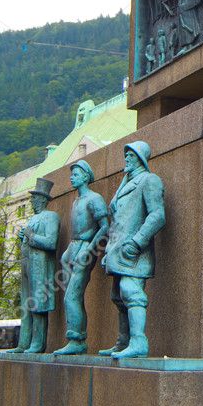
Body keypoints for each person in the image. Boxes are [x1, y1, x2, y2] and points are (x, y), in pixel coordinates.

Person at [99, 142, 166, 359]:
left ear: (140, 158)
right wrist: (108, 251)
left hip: (135, 250)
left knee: (131, 292)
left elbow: (157, 215)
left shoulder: (149, 180)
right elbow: (117, 222)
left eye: (130, 155)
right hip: (117, 251)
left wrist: (137, 242)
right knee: (118, 296)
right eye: (125, 155)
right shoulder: (125, 183)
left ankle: (139, 342)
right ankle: (123, 342)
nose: (126, 159)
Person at [53, 159, 110, 356]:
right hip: (73, 247)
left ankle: (76, 339)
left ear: (86, 177)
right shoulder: (76, 201)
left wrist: (90, 250)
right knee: (71, 296)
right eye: (71, 174)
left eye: (76, 174)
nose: (71, 178)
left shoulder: (94, 199)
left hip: (85, 247)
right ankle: (76, 338)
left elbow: (105, 227)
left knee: (71, 296)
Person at [10, 178, 59, 354]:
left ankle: (37, 343)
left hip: (41, 266)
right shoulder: (33, 219)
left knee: (38, 305)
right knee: (26, 304)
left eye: (35, 198)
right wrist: (23, 237)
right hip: (27, 264)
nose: (32, 202)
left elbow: (51, 242)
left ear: (43, 200)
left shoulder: (51, 216)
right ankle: (24, 342)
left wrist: (31, 237)